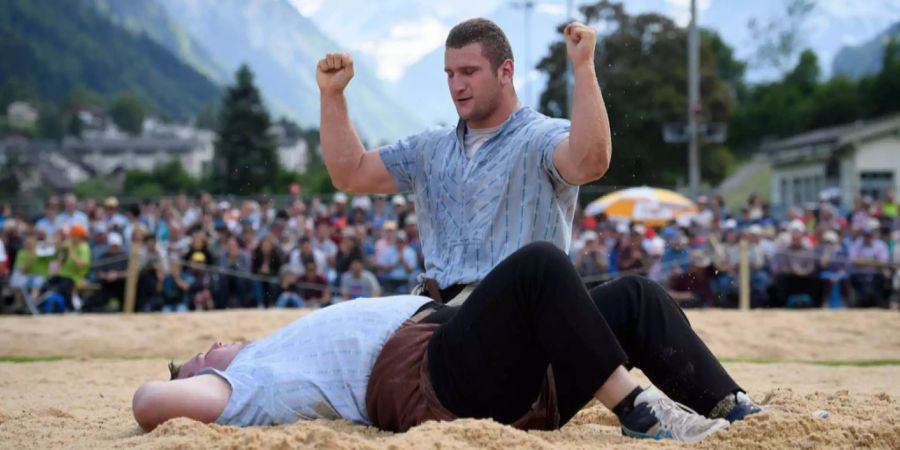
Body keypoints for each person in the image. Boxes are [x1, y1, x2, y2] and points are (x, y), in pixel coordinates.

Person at [132, 243, 761, 442]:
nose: (214, 342)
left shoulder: (275, 343)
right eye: (202, 353)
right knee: (540, 265)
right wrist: (191, 378)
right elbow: (149, 402)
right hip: (434, 377)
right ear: (205, 375)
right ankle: (638, 412)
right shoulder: (254, 376)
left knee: (633, 294)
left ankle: (730, 407)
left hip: (478, 358)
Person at [316, 18, 612, 303]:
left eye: (469, 72)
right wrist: (332, 94)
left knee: (638, 295)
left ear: (505, 72)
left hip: (515, 312)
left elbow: (590, 163)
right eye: (450, 74)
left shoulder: (541, 136)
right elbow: (350, 174)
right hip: (437, 310)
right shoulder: (429, 147)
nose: (456, 86)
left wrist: (583, 66)